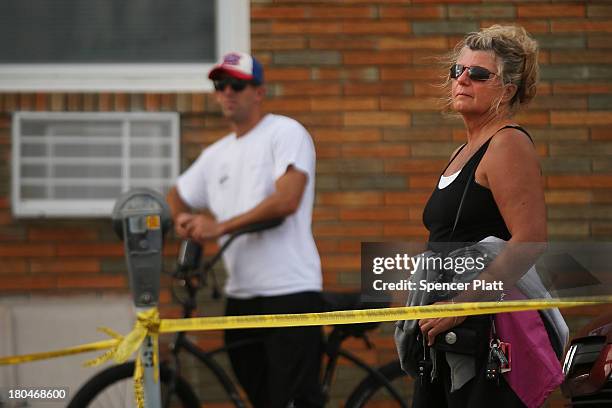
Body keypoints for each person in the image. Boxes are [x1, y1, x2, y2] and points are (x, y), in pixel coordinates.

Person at [413, 26, 562, 407]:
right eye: (457, 71)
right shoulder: (464, 150)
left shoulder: (507, 142)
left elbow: (529, 240)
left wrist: (463, 304)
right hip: (452, 330)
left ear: (508, 89)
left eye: (479, 74)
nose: (463, 79)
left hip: (486, 333)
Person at [166, 52, 324, 408]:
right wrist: (182, 221)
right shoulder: (215, 154)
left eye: (237, 84)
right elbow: (177, 194)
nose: (227, 92)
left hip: (290, 291)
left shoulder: (285, 132)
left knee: (296, 402)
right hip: (240, 297)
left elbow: (287, 200)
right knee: (262, 400)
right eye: (220, 85)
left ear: (259, 91)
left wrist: (218, 226)